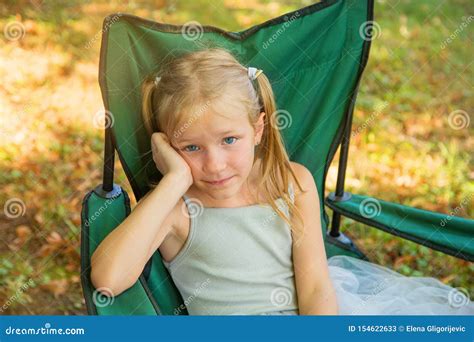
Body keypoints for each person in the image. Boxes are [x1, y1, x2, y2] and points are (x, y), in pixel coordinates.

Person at [90, 48, 473, 315]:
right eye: (191, 147)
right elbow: (107, 279)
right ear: (167, 147)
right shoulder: (176, 207)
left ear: (258, 128)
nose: (215, 164)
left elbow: (315, 289)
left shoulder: (291, 181)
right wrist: (174, 179)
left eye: (229, 140)